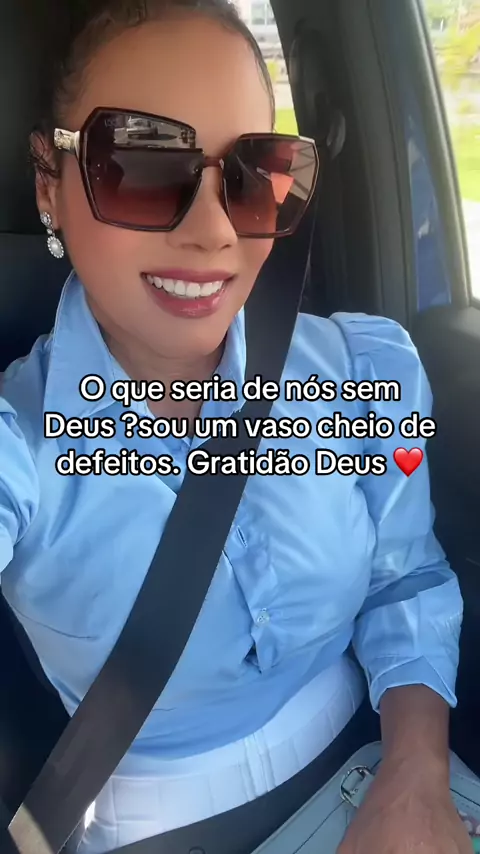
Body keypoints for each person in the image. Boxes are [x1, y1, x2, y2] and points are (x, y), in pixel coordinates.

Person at [0, 1, 475, 852]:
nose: (214, 231)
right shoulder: (21, 445)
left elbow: (405, 579)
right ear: (49, 183)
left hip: (382, 771)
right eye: (143, 166)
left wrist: (415, 772)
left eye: (254, 175)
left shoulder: (360, 373)